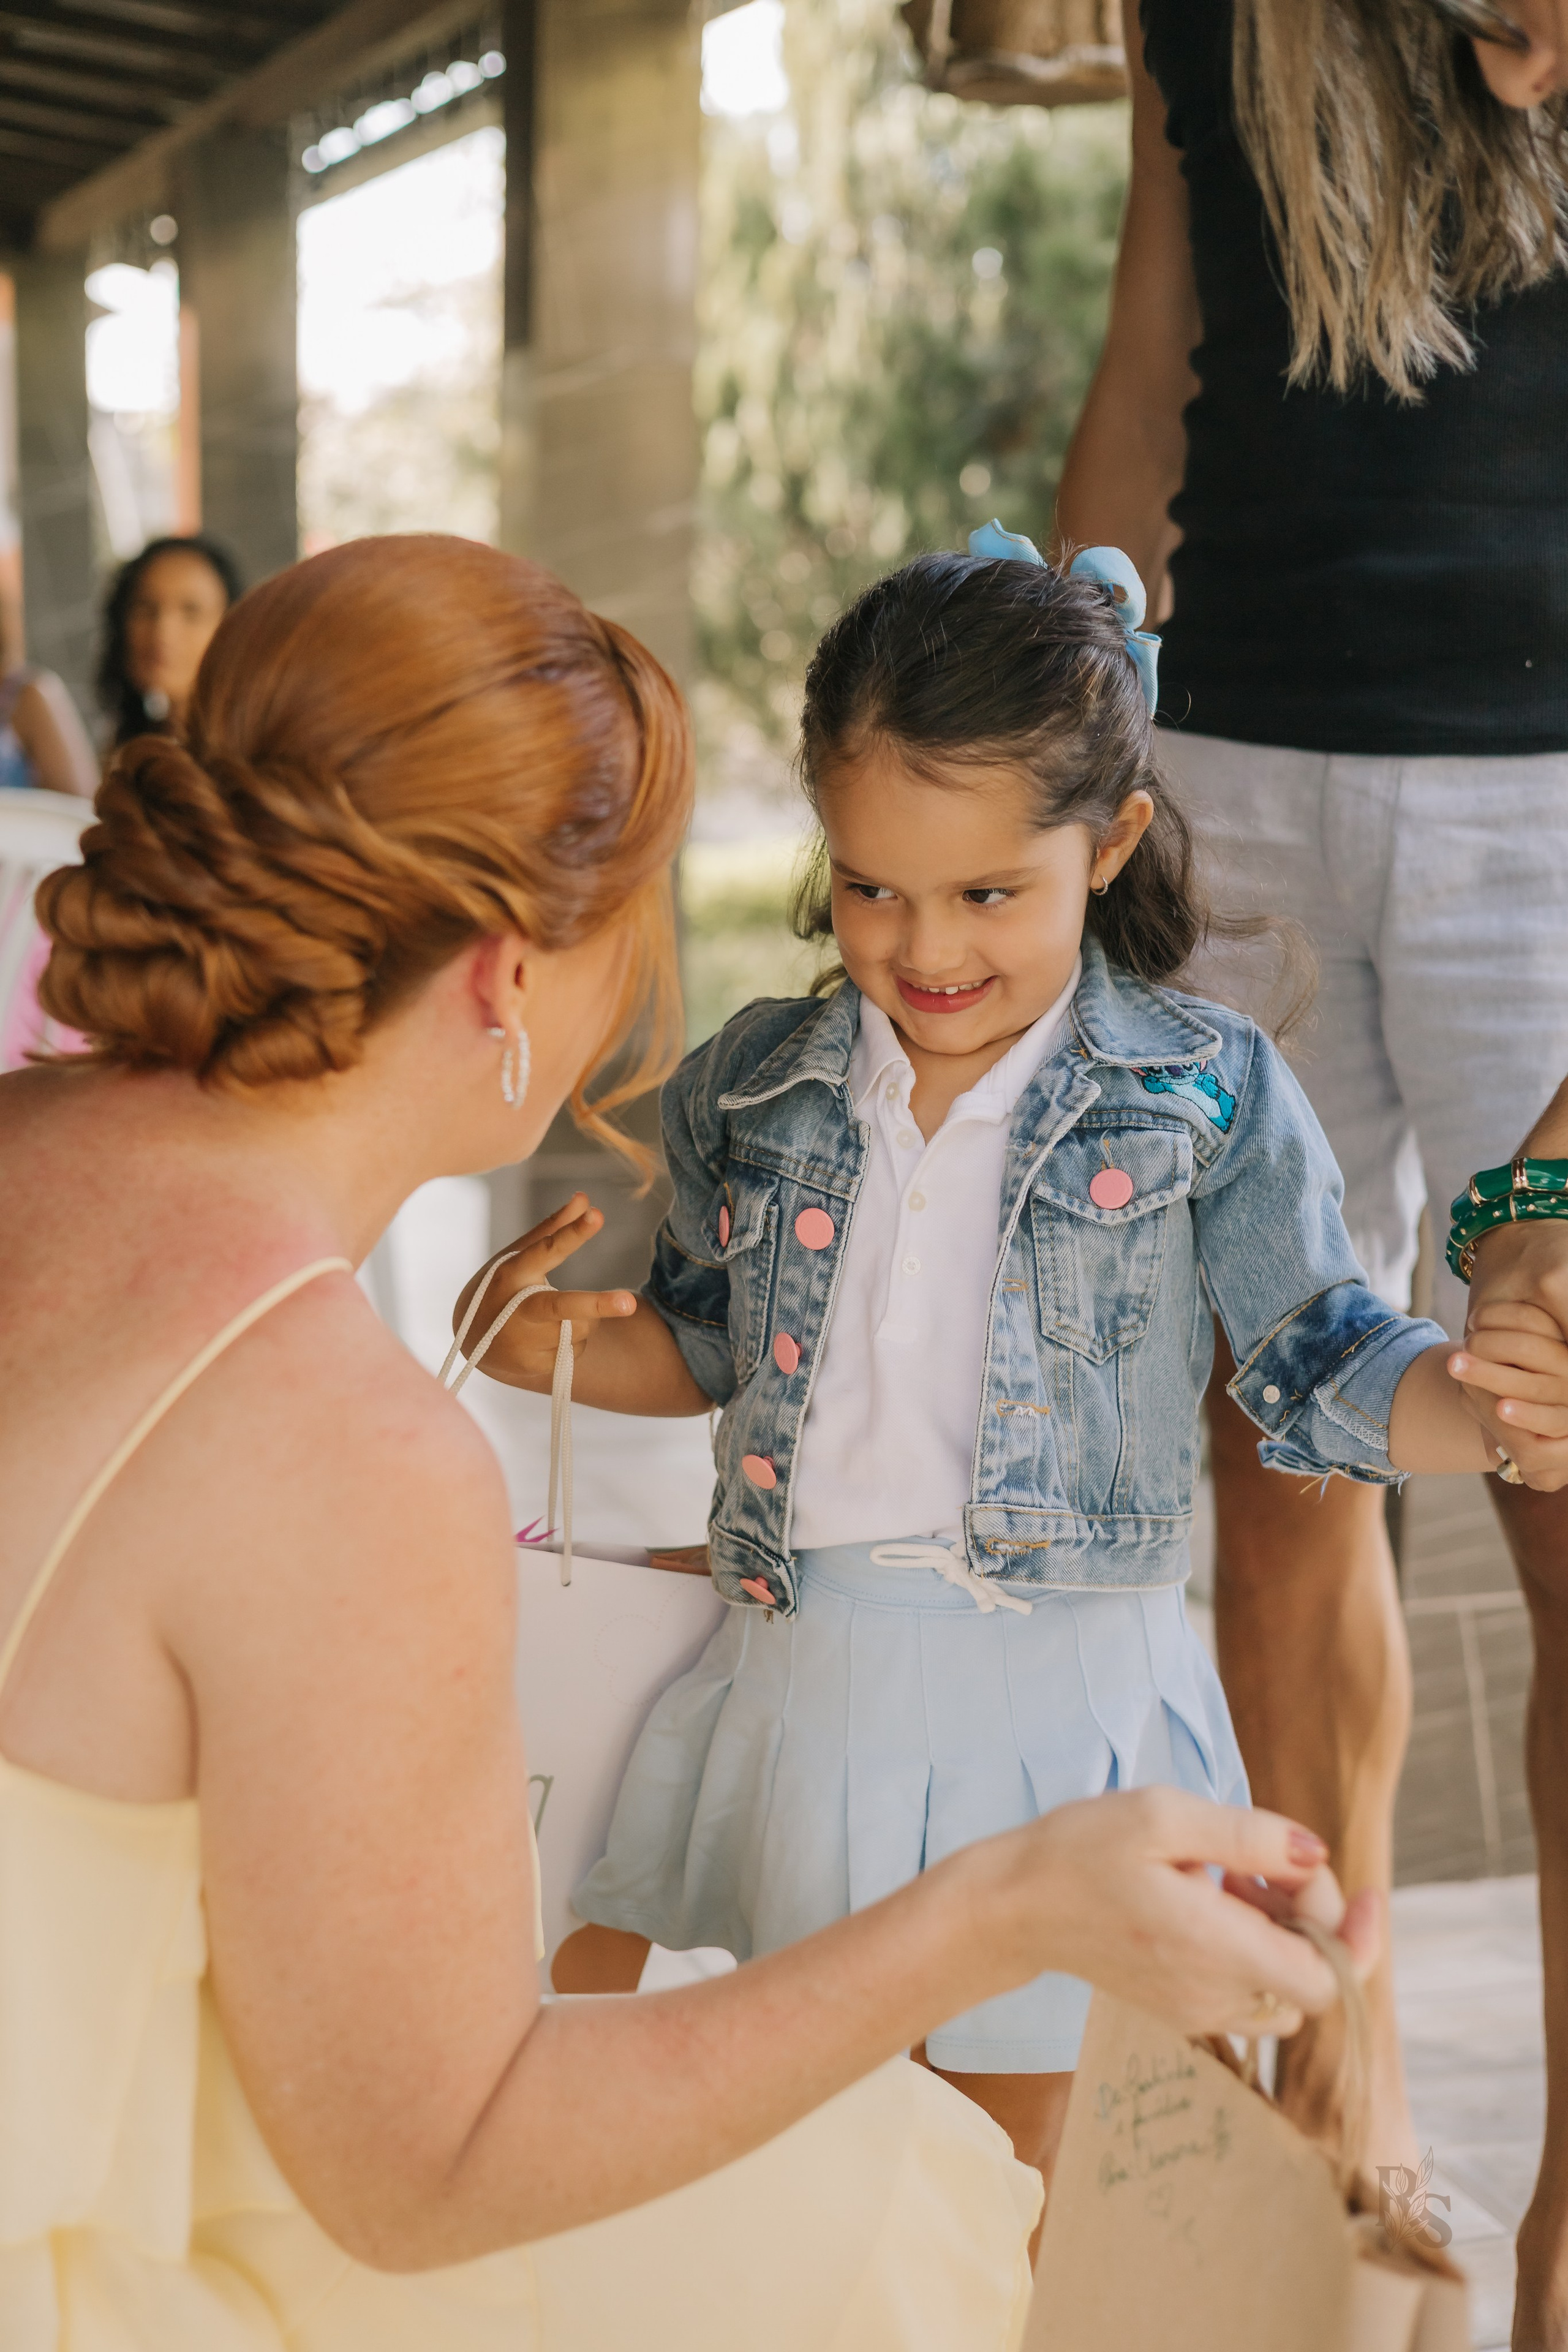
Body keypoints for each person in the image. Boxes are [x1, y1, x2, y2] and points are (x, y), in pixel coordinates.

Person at [0, 531, 1379, 2351]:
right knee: (904, 2214)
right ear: (504, 982)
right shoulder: (334, 1444)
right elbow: (429, 2163)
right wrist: (1010, 1898)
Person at [457, 532, 1568, 2225]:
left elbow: (1318, 1361)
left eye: (990, 892)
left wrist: (1482, 1410)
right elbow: (700, 1338)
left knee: (1042, 2200)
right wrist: (537, 1342)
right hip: (803, 1702)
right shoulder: (757, 1085)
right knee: (830, 2199)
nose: (927, 949)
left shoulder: (1203, 1095)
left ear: (1107, 841)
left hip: (1064, 1722)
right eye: (874, 888)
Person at [1053, 0, 1568, 2293]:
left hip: (1548, 808)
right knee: (1278, 1449)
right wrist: (1054, 721)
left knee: (1562, 1465)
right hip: (1236, 772)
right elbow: (1154, 358)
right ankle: (1334, 2050)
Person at [96, 531, 241, 749]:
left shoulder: (250, 754)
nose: (162, 632)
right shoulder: (133, 743)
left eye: (191, 612)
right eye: (146, 608)